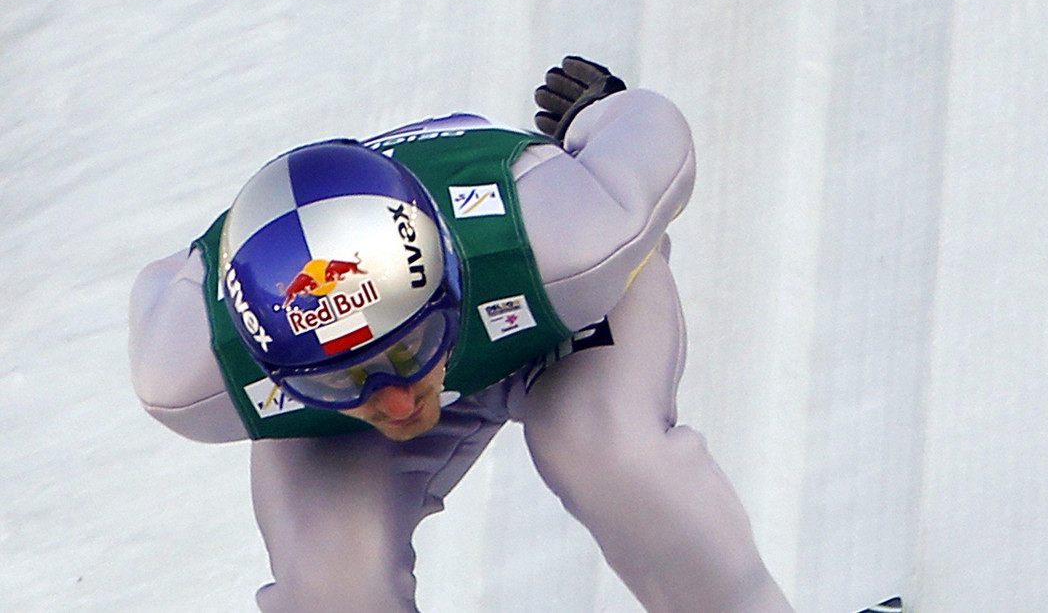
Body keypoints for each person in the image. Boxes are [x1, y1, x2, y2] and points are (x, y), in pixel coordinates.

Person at [128, 56, 795, 613]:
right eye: (344, 376)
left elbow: (654, 137)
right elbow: (179, 280)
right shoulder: (194, 374)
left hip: (535, 306)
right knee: (332, 581)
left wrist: (598, 116)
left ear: (449, 279)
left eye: (408, 349)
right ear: (269, 364)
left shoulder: (565, 237)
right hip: (490, 301)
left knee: (602, 445)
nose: (397, 402)